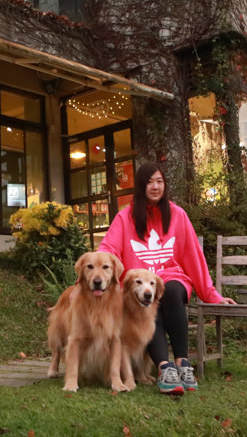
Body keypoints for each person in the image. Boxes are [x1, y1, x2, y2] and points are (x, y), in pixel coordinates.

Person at [97, 162, 235, 395]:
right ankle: (165, 367)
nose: (155, 186)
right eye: (150, 181)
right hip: (139, 283)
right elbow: (108, 251)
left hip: (171, 278)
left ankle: (182, 362)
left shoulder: (178, 215)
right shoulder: (125, 218)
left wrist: (211, 295)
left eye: (160, 181)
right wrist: (97, 276)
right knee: (145, 297)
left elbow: (193, 257)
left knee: (169, 290)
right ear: (141, 186)